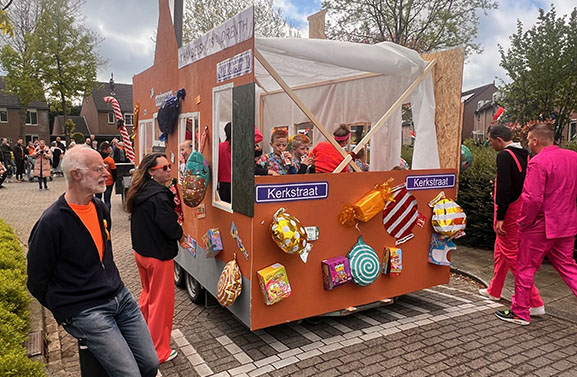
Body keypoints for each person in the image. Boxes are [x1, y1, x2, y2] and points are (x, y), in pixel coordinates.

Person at [27, 145, 159, 376]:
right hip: (87, 310)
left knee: (150, 363)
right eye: (98, 169)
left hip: (121, 297)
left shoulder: (99, 208)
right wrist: (67, 309)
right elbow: (37, 280)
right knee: (129, 374)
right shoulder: (51, 223)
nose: (107, 174)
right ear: (76, 174)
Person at [496, 123, 577, 325]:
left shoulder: (538, 162)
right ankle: (521, 310)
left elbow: (532, 199)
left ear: (535, 140)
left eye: (529, 141)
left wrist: (524, 222)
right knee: (569, 268)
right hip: (566, 223)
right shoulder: (573, 158)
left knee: (525, 268)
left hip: (540, 226)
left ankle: (520, 312)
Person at [125, 153, 187, 364]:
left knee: (148, 295)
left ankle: (140, 335)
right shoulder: (160, 195)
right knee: (162, 304)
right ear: (152, 171)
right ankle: (158, 350)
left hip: (141, 253)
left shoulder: (138, 190)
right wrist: (180, 236)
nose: (169, 170)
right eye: (164, 168)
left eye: (169, 166)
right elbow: (168, 225)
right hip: (158, 257)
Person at [481, 125, 544, 315]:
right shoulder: (525, 154)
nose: (489, 143)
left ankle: (534, 301)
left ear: (499, 140)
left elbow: (505, 188)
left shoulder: (504, 156)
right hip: (521, 209)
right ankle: (494, 289)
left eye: (490, 140)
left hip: (508, 212)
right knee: (501, 250)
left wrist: (500, 216)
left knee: (512, 255)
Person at [95, 142, 116, 210]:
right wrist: (114, 180)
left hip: (98, 181)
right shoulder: (110, 160)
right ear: (104, 150)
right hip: (108, 182)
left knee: (98, 199)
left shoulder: (96, 160)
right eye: (109, 149)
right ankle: (107, 215)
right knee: (107, 200)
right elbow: (114, 171)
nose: (110, 150)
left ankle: (99, 214)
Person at [218, 122, 232, 202]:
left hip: (223, 182)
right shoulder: (241, 146)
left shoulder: (220, 147)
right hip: (239, 182)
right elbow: (259, 137)